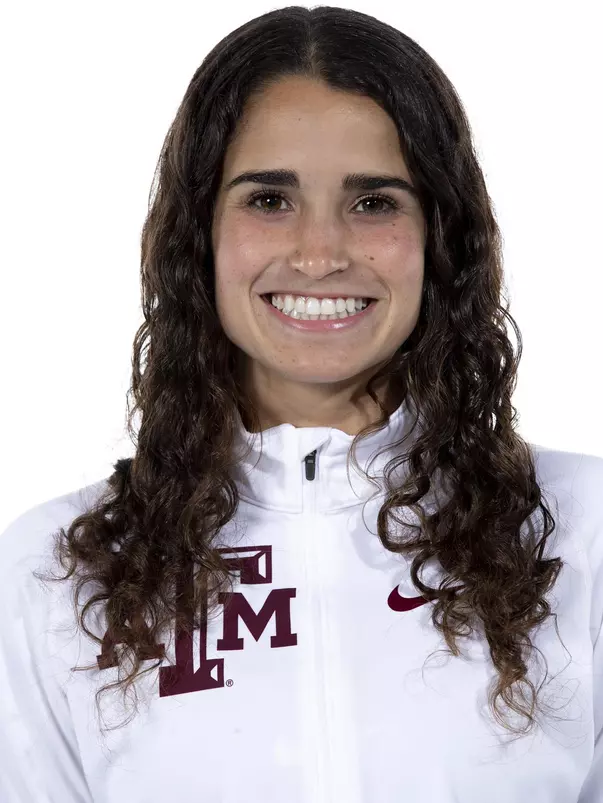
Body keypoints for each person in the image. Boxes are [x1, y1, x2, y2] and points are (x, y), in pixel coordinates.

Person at [1, 6, 602, 802]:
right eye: (269, 199)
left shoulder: (579, 528)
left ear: (439, 237)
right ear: (199, 235)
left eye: (373, 202)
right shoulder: (57, 572)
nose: (320, 253)